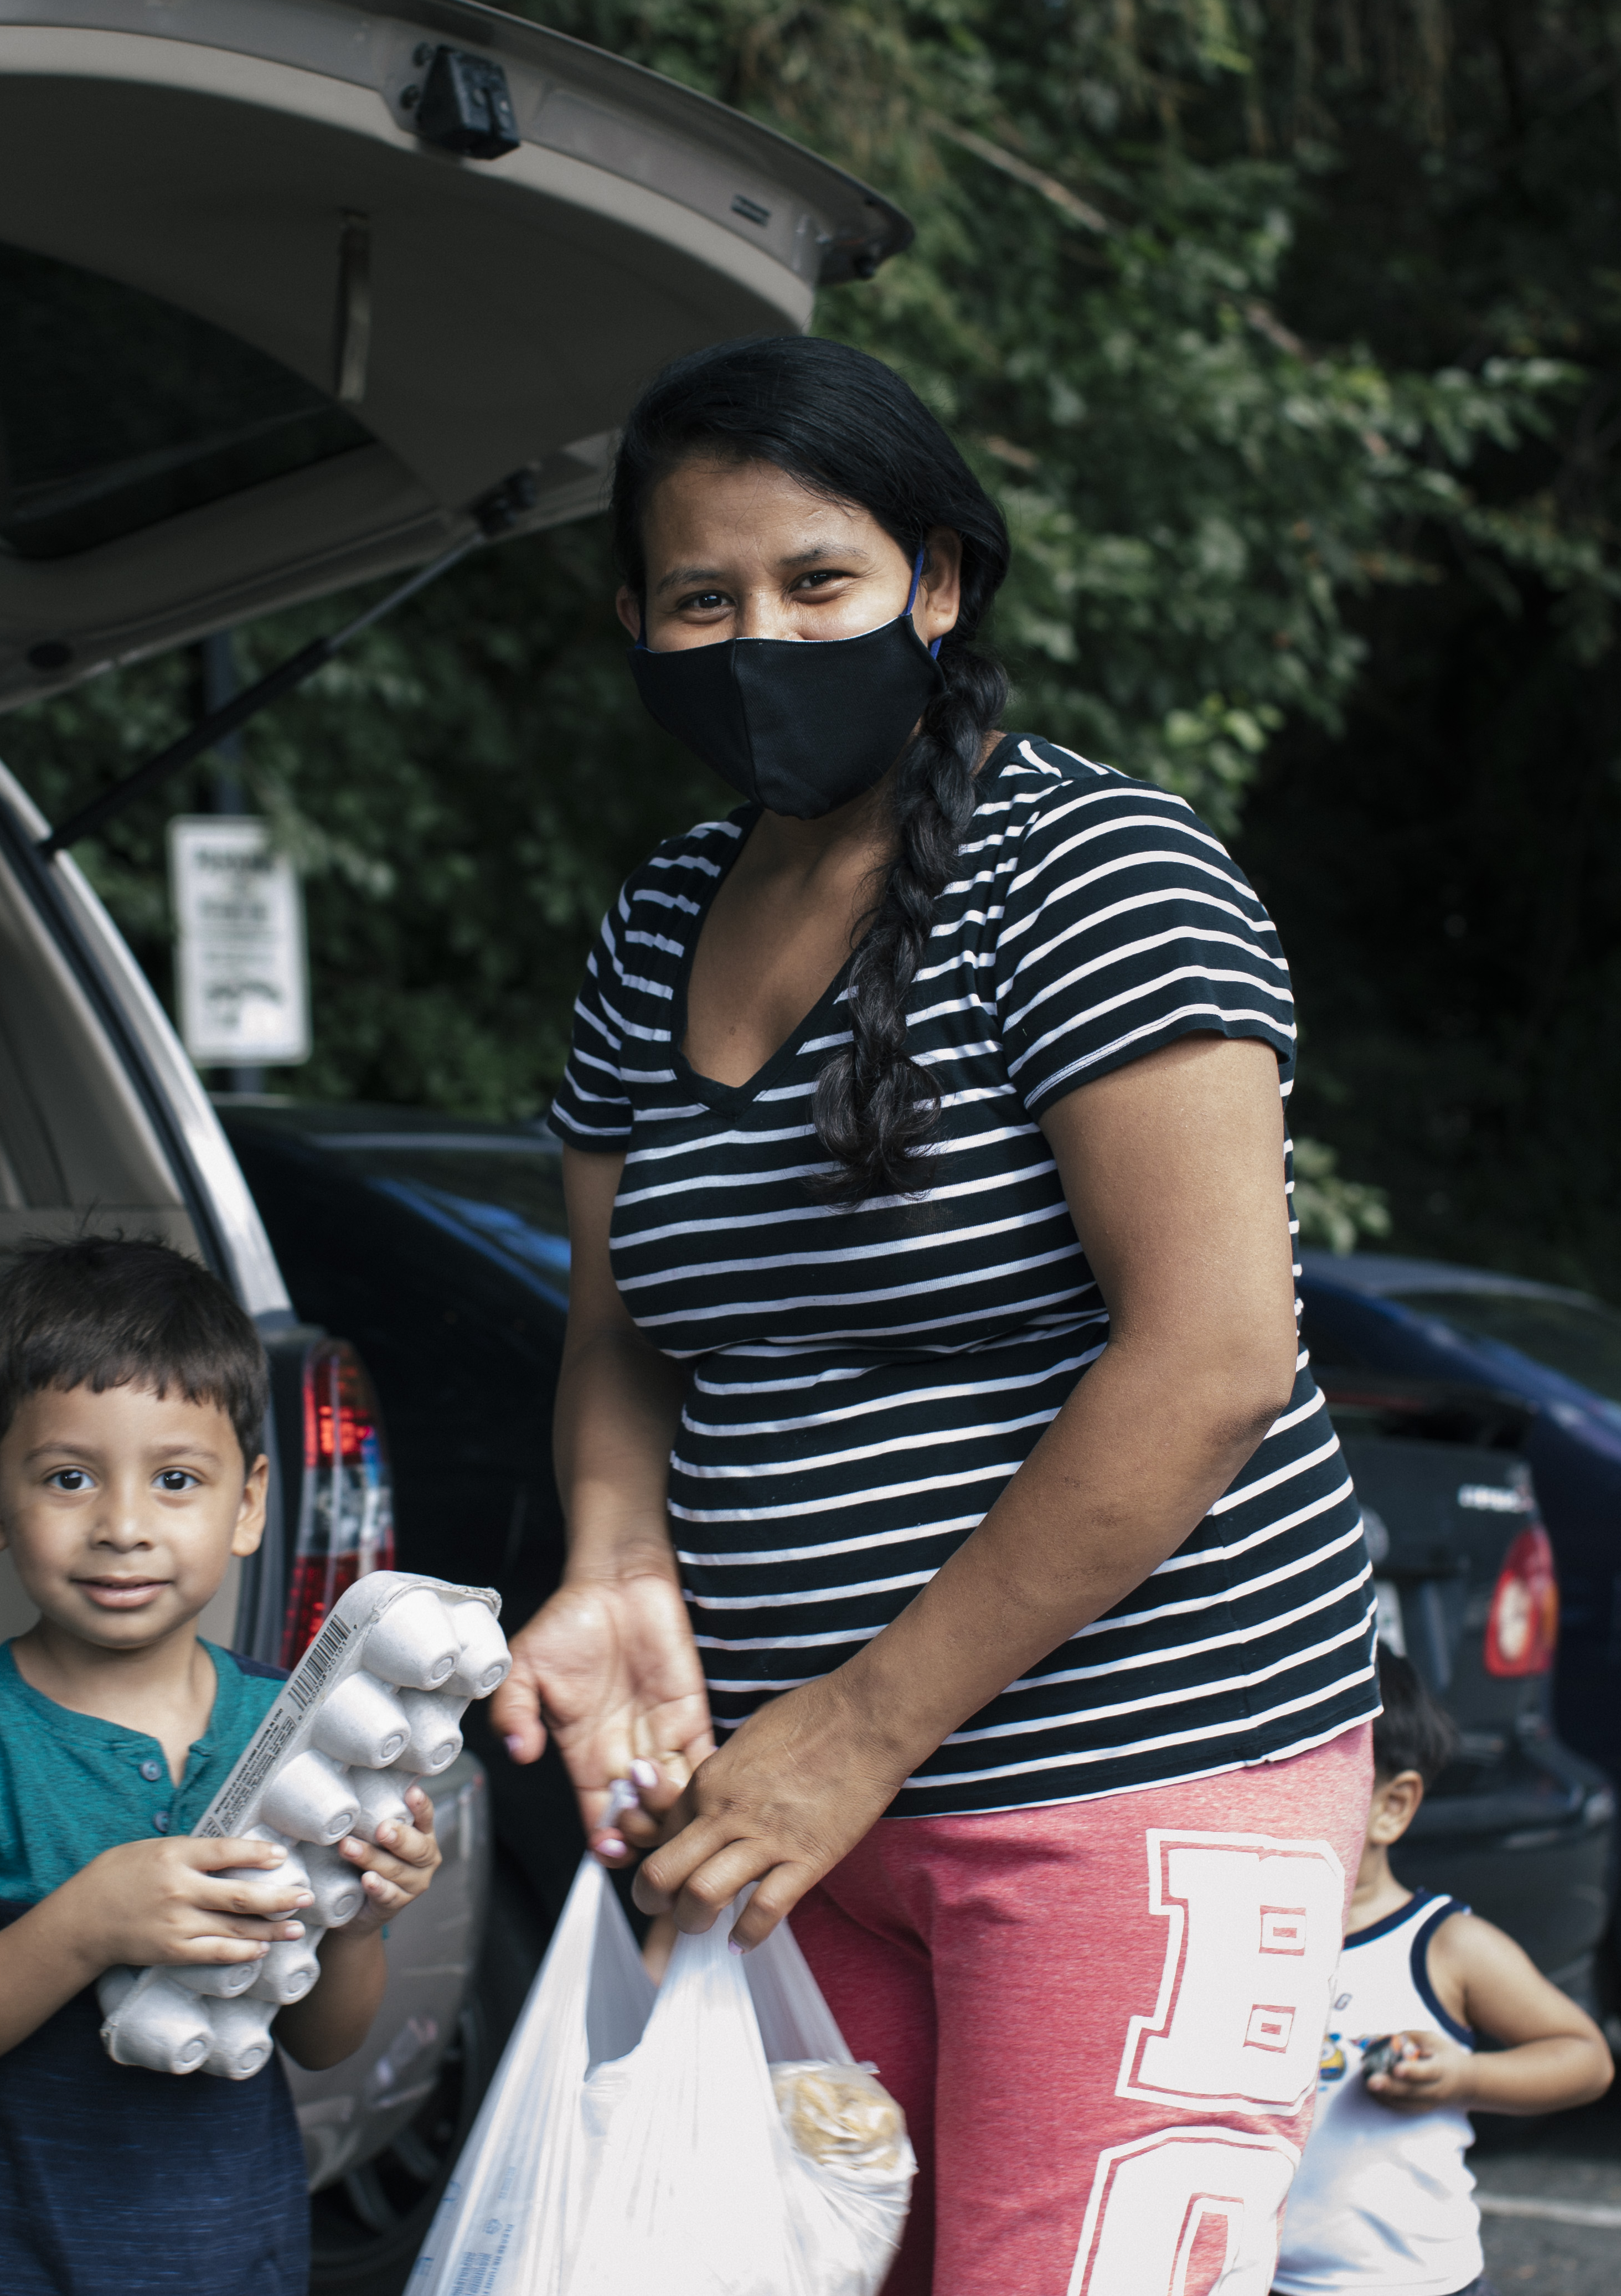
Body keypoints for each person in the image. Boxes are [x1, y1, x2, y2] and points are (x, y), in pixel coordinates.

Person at [495, 332, 1386, 2296]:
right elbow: (619, 1323)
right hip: (785, 1806)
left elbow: (1214, 1357)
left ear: (936, 580)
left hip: (1124, 1778)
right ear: (633, 617)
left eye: (815, 584)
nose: (758, 639)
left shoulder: (1090, 868)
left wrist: (860, 1730)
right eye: (699, 597)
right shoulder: (655, 921)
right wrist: (612, 1564)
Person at [0, 1236, 442, 2295]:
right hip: (1, 2263)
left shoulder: (290, 1725)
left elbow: (322, 2039)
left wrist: (352, 1920)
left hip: (233, 2254)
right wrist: (83, 1926)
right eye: (68, 1477)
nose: (122, 1526)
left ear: (248, 1503)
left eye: (176, 1479)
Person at [1273, 1652, 1614, 2296]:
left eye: (1297, 1785)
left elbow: (1583, 2058)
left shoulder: (1443, 1948)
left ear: (1391, 1806)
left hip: (1416, 2283)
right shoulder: (1243, 1939)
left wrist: (1465, 2076)